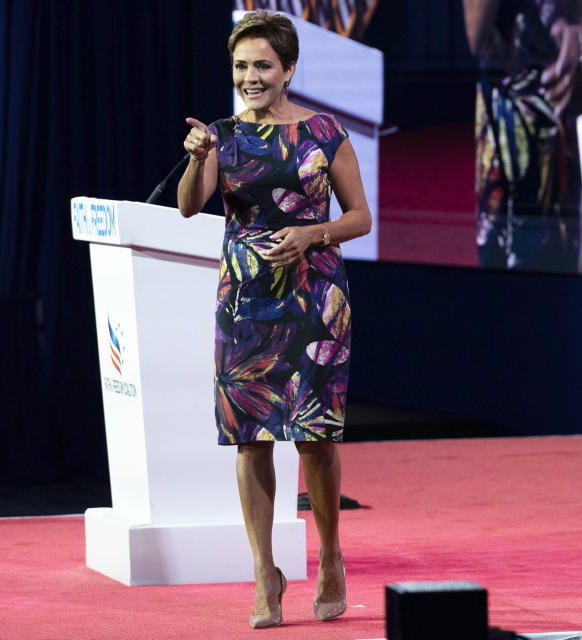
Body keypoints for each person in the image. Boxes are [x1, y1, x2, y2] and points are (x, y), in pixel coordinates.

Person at [176, 9, 371, 629]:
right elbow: (189, 207)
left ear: (288, 69)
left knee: (316, 437)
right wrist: (195, 157)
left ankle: (332, 556)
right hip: (246, 303)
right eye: (241, 66)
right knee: (249, 440)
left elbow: (359, 217)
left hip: (316, 300)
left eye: (263, 65)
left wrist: (315, 232)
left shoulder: (323, 131)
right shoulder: (223, 134)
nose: (251, 77)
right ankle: (266, 574)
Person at [463, 0, 582, 273]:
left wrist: (578, 39)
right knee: (503, 264)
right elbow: (475, 38)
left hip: (558, 119)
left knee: (563, 266)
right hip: (503, 127)